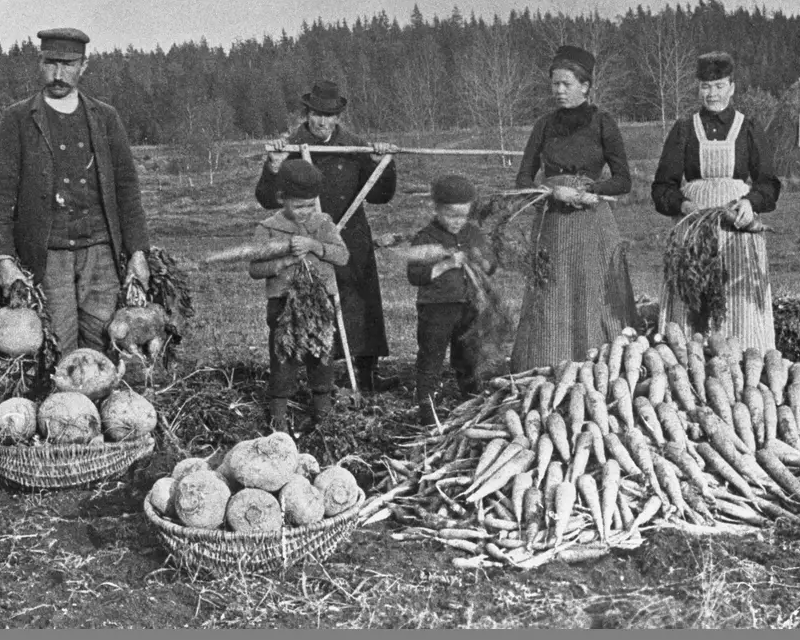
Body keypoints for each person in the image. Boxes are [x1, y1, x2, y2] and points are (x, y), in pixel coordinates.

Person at [0, 27, 150, 356]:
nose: (58, 74)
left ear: (84, 66)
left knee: (107, 344)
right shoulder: (17, 119)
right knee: (58, 347)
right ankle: (59, 408)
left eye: (68, 64)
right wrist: (3, 257)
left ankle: (100, 407)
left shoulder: (105, 118)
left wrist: (138, 252)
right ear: (39, 62)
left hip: (101, 254)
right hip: (48, 256)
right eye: (50, 63)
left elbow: (127, 191)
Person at [257, 80, 399, 393]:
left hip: (350, 237)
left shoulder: (354, 145)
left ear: (338, 117)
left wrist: (381, 164)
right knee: (312, 306)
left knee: (361, 306)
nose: (322, 122)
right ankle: (320, 381)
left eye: (329, 115)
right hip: (307, 238)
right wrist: (274, 166)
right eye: (317, 114)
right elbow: (267, 199)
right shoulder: (290, 146)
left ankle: (366, 375)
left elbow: (381, 195)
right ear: (307, 113)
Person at [511, 45, 639, 371]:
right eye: (555, 84)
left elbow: (623, 180)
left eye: (567, 84)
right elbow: (523, 177)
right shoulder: (543, 125)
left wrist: (589, 191)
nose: (559, 91)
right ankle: (549, 364)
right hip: (552, 223)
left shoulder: (602, 124)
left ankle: (599, 366)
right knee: (553, 291)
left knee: (594, 291)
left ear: (585, 86)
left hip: (592, 222)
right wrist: (550, 192)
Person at [651, 52, 782, 352]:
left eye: (719, 86)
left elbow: (768, 183)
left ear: (732, 87)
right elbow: (661, 187)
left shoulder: (748, 128)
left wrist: (750, 203)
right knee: (692, 297)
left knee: (737, 301)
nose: (712, 93)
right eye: (706, 87)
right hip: (694, 229)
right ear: (698, 88)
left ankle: (745, 362)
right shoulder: (684, 129)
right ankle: (687, 362)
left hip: (736, 230)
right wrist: (684, 206)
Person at [248, 159, 350, 433]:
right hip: (283, 304)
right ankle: (278, 417)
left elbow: (342, 256)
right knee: (284, 356)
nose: (305, 212)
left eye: (310, 205)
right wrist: (279, 264)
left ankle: (323, 413)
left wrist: (315, 245)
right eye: (298, 205)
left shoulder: (324, 224)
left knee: (322, 355)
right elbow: (255, 269)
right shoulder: (268, 227)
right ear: (282, 198)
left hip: (319, 305)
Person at [406, 174, 496, 425]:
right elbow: (416, 275)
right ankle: (427, 410)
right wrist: (446, 264)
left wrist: (481, 259)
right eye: (451, 215)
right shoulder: (426, 238)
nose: (457, 221)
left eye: (463, 215)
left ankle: (470, 404)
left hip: (469, 305)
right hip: (437, 309)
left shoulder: (473, 234)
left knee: (468, 356)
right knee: (431, 356)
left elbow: (489, 266)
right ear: (436, 209)